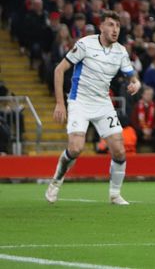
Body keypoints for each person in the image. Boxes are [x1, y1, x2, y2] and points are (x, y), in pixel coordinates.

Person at [45, 10, 142, 205]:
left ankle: (115, 194)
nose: (115, 30)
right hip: (79, 101)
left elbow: (132, 76)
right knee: (76, 148)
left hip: (103, 103)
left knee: (119, 151)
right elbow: (59, 70)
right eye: (111, 25)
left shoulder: (121, 51)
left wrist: (136, 83)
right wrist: (59, 103)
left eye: (118, 26)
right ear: (101, 27)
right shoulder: (85, 44)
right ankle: (56, 180)